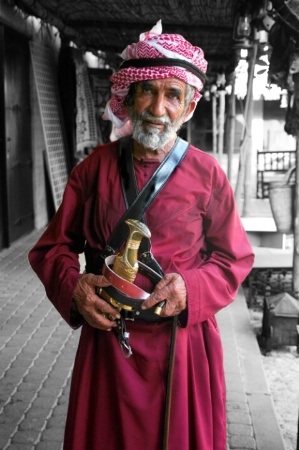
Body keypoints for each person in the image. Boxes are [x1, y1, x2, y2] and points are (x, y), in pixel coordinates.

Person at [29, 20, 254, 450]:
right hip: (107, 344)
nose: (158, 107)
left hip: (182, 348)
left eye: (173, 95)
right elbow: (52, 248)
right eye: (147, 91)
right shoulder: (92, 170)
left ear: (188, 108)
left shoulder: (208, 174)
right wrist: (74, 287)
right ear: (128, 99)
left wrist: (191, 288)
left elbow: (234, 258)